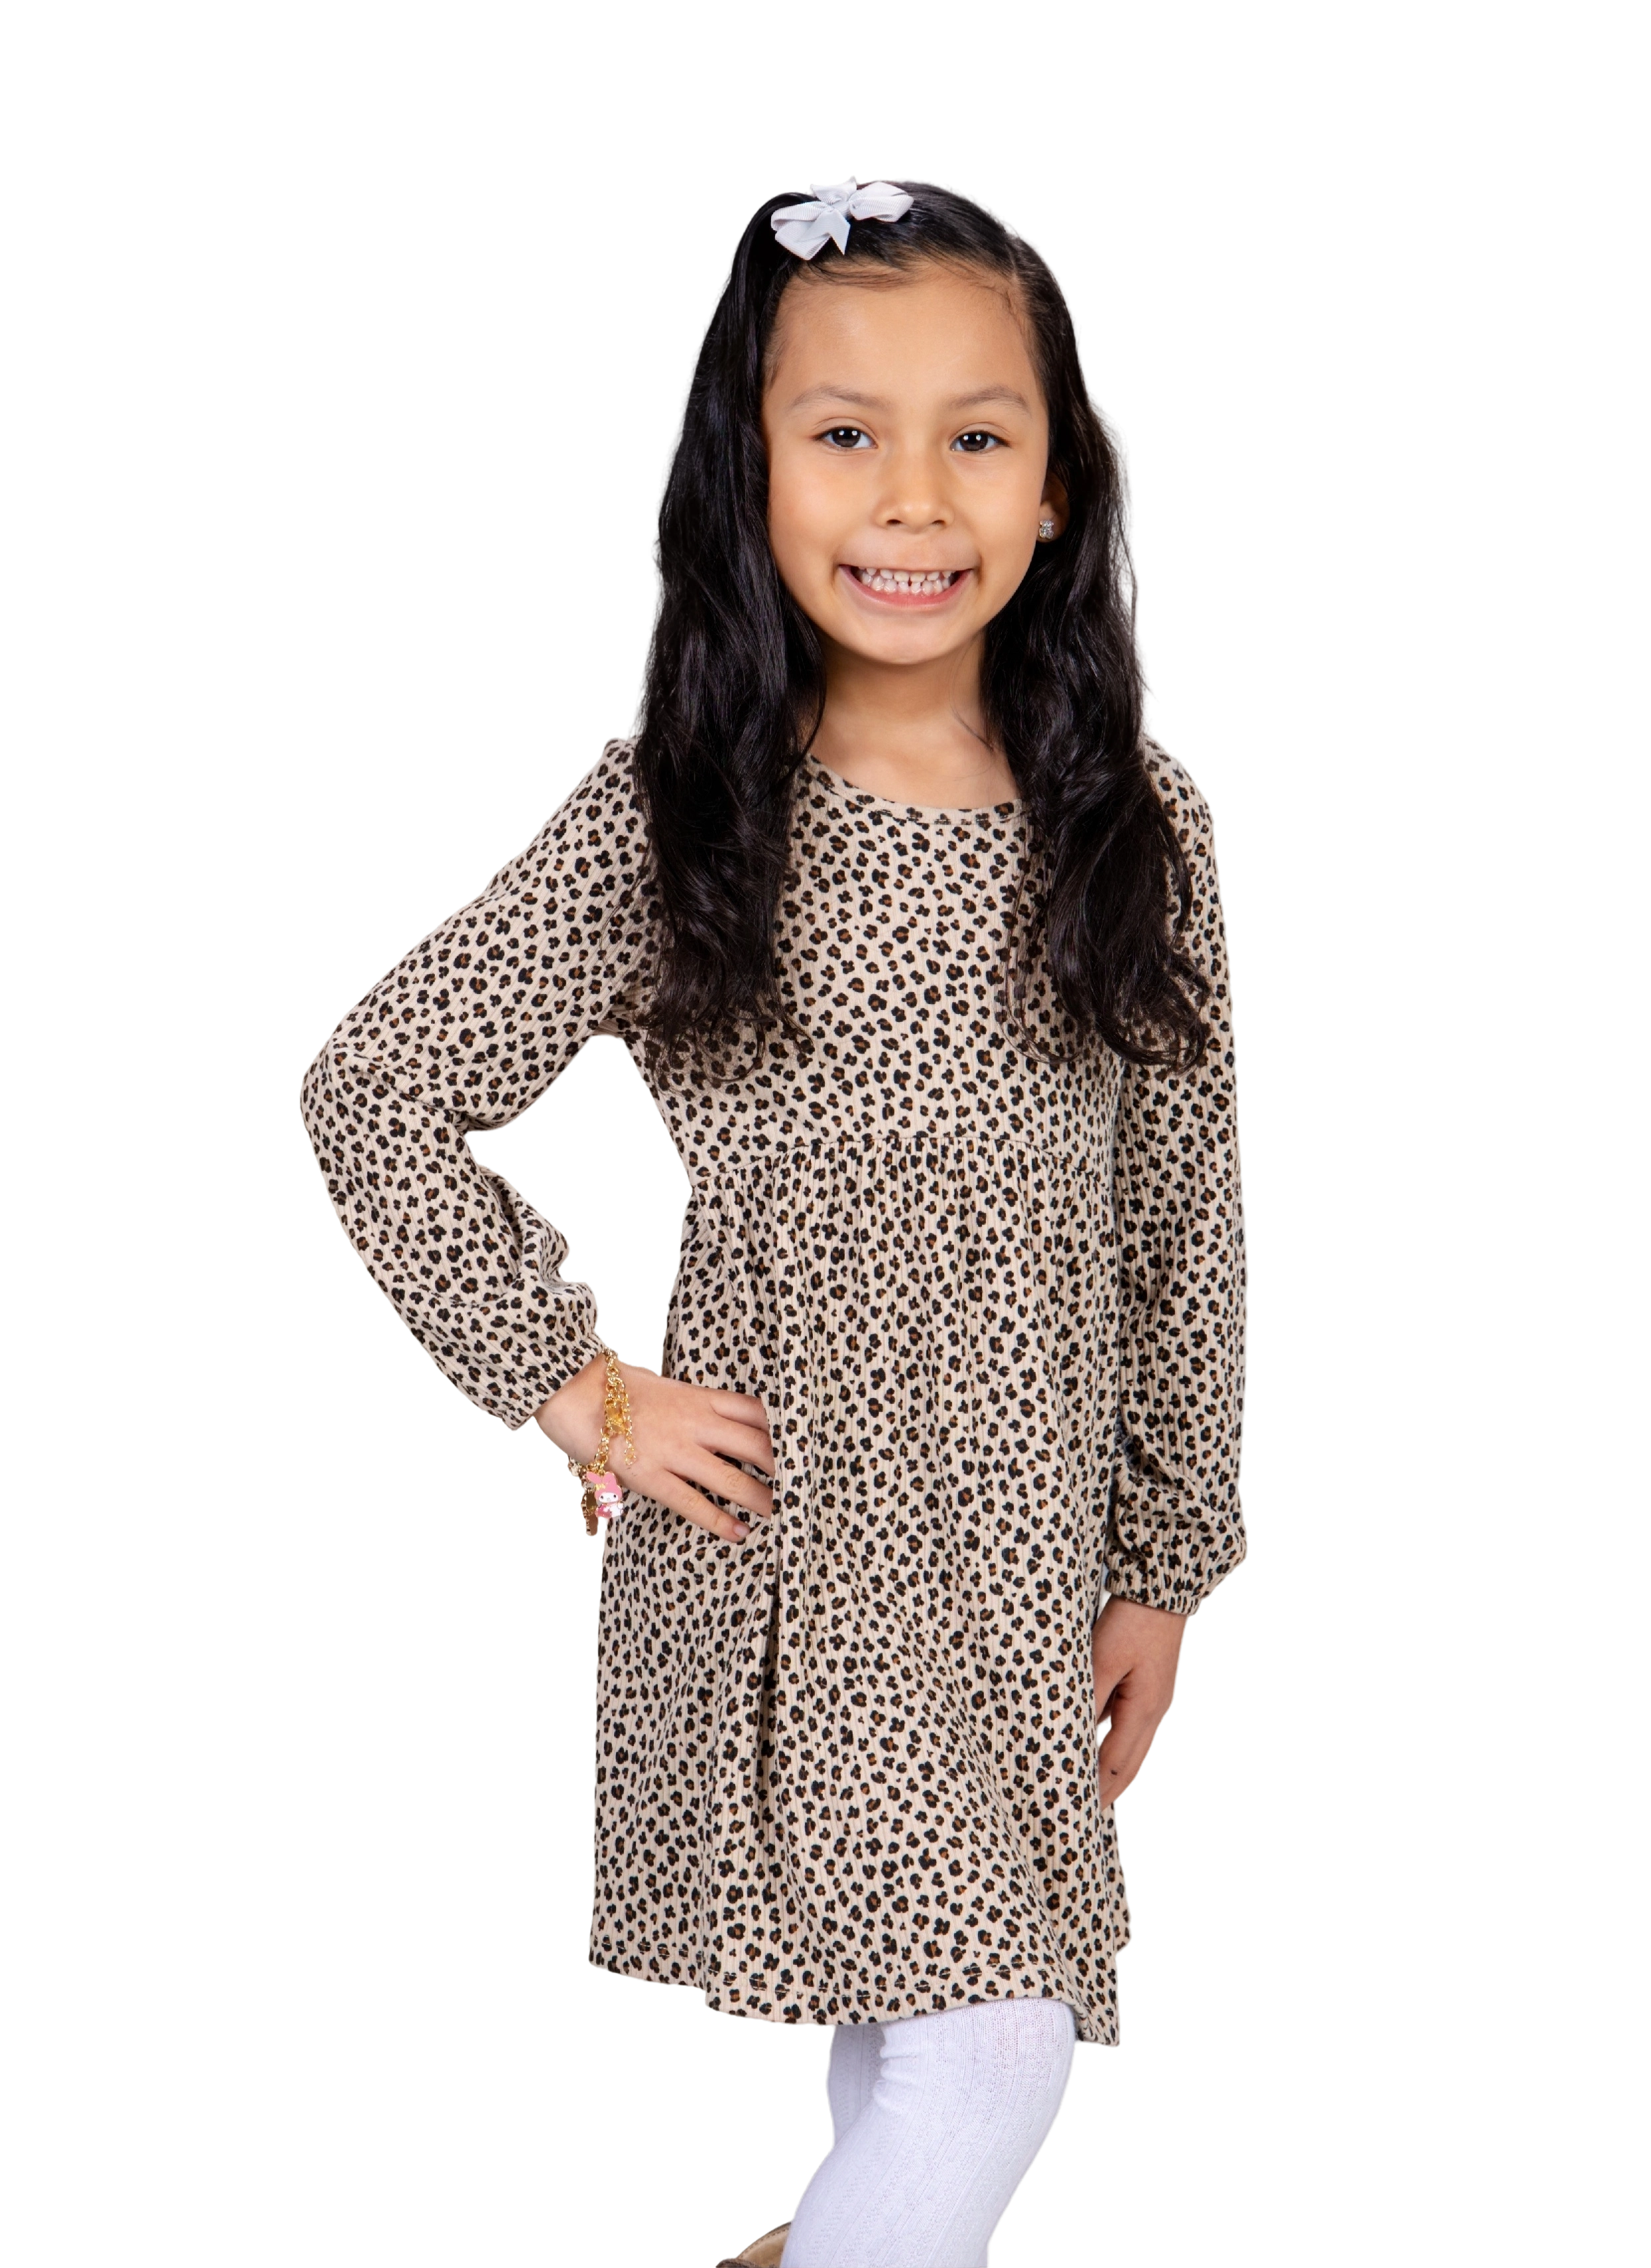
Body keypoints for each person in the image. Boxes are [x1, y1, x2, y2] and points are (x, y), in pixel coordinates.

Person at [296, 170, 1249, 2268]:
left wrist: (1165, 1565)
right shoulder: (681, 804)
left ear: (1060, 487)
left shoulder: (1140, 821)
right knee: (986, 2038)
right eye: (842, 431)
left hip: (1021, 1550)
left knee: (922, 2031)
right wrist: (573, 1387)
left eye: (976, 434)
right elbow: (375, 1085)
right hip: (801, 1532)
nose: (913, 496)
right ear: (748, 470)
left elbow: (1184, 1225)